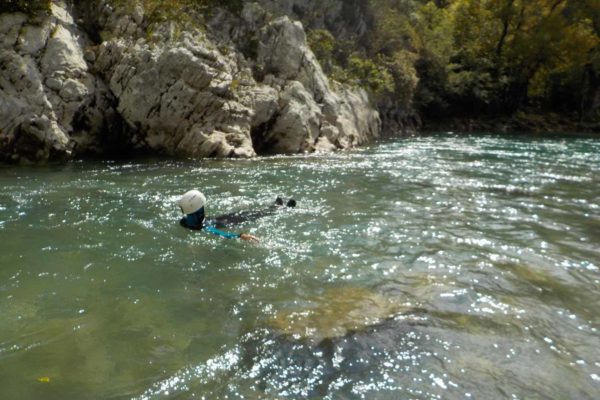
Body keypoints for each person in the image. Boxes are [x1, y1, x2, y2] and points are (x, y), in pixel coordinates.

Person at [178, 189, 296, 242]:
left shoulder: (184, 221)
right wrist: (239, 236)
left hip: (219, 219)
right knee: (252, 215)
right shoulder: (202, 226)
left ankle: (275, 208)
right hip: (225, 222)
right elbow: (219, 233)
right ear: (198, 208)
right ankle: (281, 209)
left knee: (250, 214)